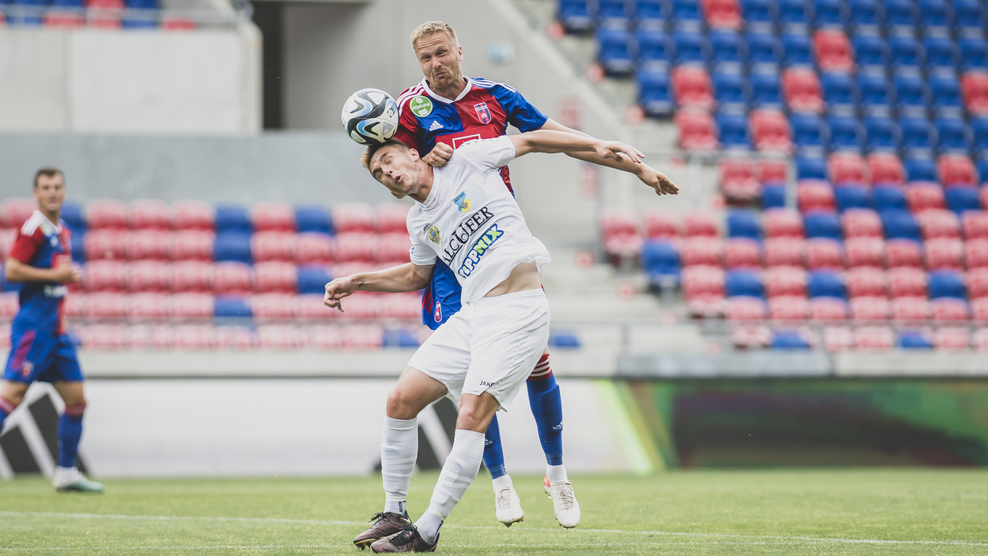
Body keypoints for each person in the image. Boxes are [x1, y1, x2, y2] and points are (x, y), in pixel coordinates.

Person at [392, 20, 680, 529]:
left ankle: (557, 474)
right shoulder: (409, 110)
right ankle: (500, 483)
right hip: (451, 259)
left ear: (459, 50)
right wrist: (418, 158)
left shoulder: (496, 97)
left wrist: (632, 164)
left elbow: (558, 140)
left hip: (499, 245)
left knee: (538, 363)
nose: (435, 65)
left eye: (441, 53)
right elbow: (392, 168)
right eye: (425, 59)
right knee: (469, 378)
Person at [330, 129, 655, 553]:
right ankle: (395, 511)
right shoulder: (419, 221)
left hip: (519, 309)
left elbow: (533, 141)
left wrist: (595, 144)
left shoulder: (467, 160)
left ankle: (427, 530)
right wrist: (357, 281)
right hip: (474, 314)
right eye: (378, 173)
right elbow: (416, 275)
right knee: (400, 400)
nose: (386, 172)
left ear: (413, 153)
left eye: (389, 160)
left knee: (471, 414)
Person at [1, 167, 103, 493]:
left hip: (57, 333)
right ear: (36, 192)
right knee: (10, 397)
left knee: (76, 400)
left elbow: (54, 285)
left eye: (57, 186)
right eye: (46, 187)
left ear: (64, 190)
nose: (52, 192)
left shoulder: (63, 231)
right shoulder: (33, 228)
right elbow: (12, 270)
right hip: (34, 330)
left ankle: (67, 472)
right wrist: (54, 277)